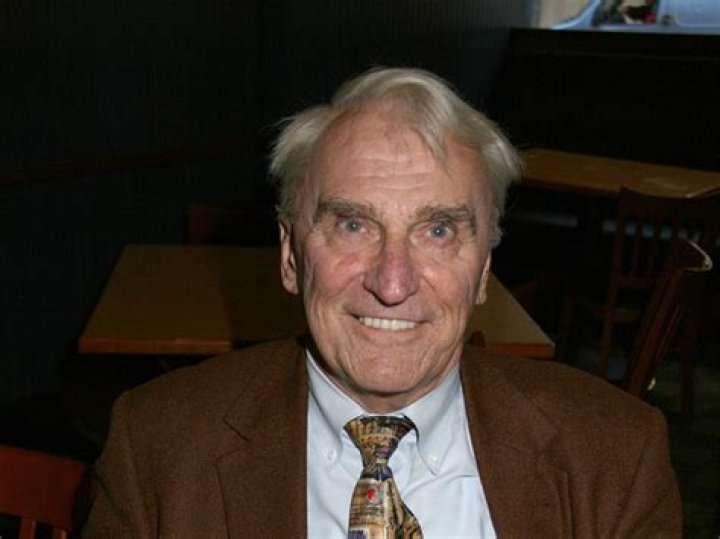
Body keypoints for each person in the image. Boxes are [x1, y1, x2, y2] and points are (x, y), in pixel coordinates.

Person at [83, 67, 681, 537]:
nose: (392, 285)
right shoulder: (156, 449)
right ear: (290, 255)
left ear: (483, 270)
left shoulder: (617, 457)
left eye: (438, 230)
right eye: (352, 225)